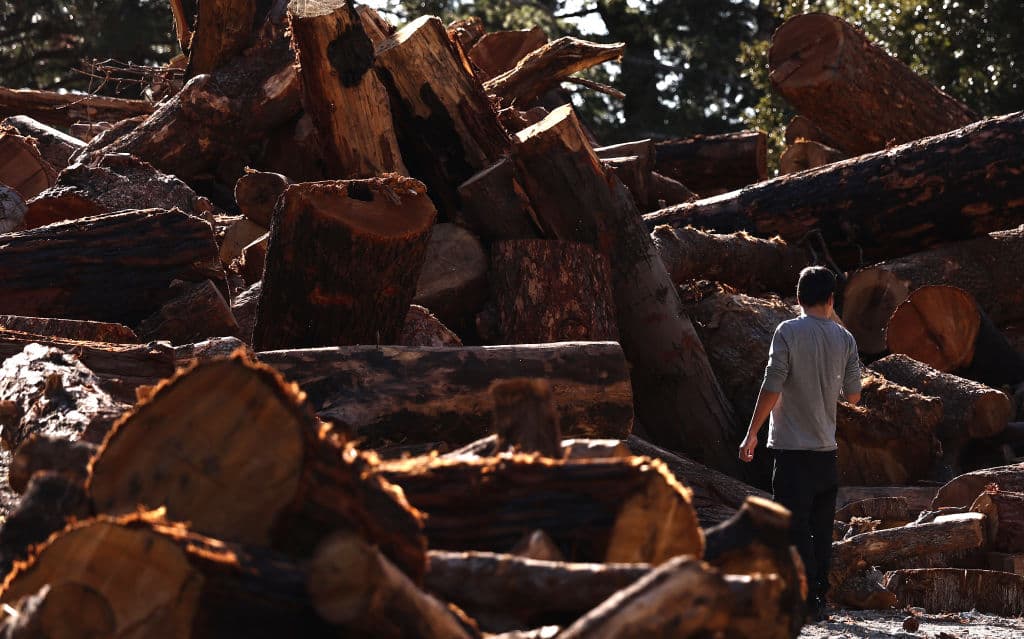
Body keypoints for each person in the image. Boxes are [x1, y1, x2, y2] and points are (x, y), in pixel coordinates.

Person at [738, 266, 862, 622]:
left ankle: (803, 601)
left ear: (797, 299)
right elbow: (854, 396)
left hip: (792, 453)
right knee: (821, 532)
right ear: (831, 299)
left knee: (793, 531)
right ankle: (818, 599)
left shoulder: (787, 331)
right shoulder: (846, 339)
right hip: (827, 453)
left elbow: (772, 385)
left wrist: (751, 433)